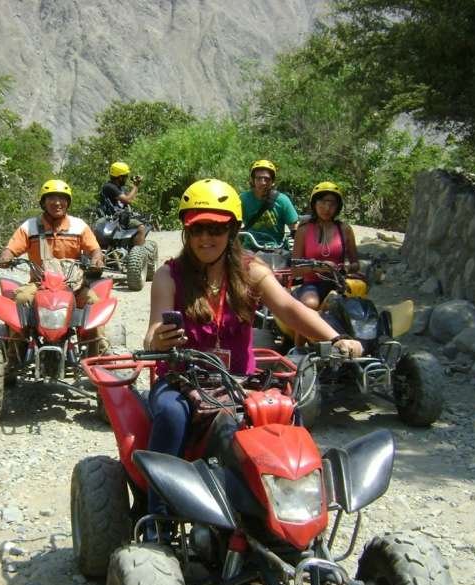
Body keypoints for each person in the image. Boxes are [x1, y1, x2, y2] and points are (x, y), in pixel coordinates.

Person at [142, 178, 363, 538]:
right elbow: (153, 328)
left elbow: (290, 309)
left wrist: (337, 338)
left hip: (239, 381)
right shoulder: (169, 275)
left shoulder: (251, 270)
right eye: (197, 229)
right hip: (183, 380)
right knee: (170, 414)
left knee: (287, 415)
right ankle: (159, 522)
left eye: (216, 229)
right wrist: (159, 338)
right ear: (186, 231)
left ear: (232, 230)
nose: (205, 238)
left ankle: (296, 511)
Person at [0, 179, 107, 351]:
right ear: (43, 202)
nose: (57, 203)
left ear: (68, 202)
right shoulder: (29, 227)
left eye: (62, 198)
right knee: (20, 299)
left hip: (73, 286)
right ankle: (15, 352)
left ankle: (97, 353)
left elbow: (95, 249)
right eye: (51, 198)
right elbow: (11, 248)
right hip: (39, 284)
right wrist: (5, 257)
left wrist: (96, 260)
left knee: (94, 302)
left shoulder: (79, 226)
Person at [290, 181, 359, 311]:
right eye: (322, 202)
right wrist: (316, 267)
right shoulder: (304, 230)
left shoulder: (345, 229)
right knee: (311, 303)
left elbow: (356, 264)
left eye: (332, 203)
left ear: (338, 207)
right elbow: (294, 269)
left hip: (339, 282)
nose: (327, 208)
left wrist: (346, 268)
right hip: (312, 284)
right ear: (314, 204)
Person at [239, 159, 299, 248]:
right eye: (258, 178)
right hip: (250, 248)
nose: (263, 182)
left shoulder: (282, 200)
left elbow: (294, 228)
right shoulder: (243, 199)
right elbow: (235, 225)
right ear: (252, 180)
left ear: (272, 181)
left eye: (267, 179)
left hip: (277, 248)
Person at [98, 161, 147, 247]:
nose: (126, 179)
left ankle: (130, 247)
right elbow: (127, 200)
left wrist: (134, 185)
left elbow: (129, 199)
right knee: (140, 228)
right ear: (120, 177)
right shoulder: (110, 187)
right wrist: (136, 186)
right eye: (126, 176)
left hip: (119, 218)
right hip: (113, 220)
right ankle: (138, 253)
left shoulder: (118, 187)